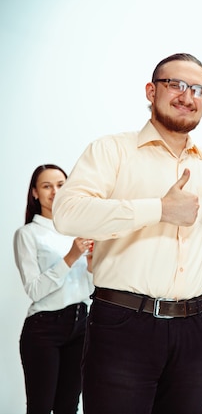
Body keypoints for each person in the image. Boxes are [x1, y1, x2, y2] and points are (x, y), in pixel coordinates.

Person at [52, 53, 202, 414]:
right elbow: (67, 213)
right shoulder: (112, 150)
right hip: (123, 326)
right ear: (151, 91)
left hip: (197, 330)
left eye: (198, 89)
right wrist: (159, 210)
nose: (187, 95)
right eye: (175, 85)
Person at [13, 164, 94, 414]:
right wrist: (71, 256)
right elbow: (34, 290)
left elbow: (89, 288)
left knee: (69, 407)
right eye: (47, 186)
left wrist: (91, 264)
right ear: (35, 193)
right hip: (44, 329)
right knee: (40, 407)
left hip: (81, 325)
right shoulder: (28, 234)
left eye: (60, 185)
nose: (55, 191)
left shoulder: (79, 231)